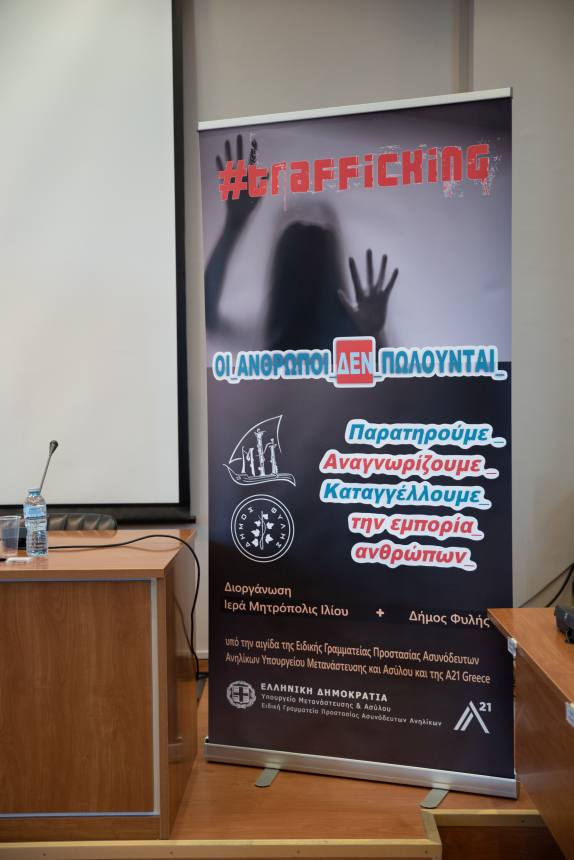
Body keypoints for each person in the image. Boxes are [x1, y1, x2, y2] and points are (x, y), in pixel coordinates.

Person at [205, 135, 399, 350]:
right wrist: (372, 336)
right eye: (299, 257)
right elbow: (205, 318)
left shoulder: (265, 336)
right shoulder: (264, 334)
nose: (305, 271)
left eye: (312, 257)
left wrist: (372, 335)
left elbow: (205, 318)